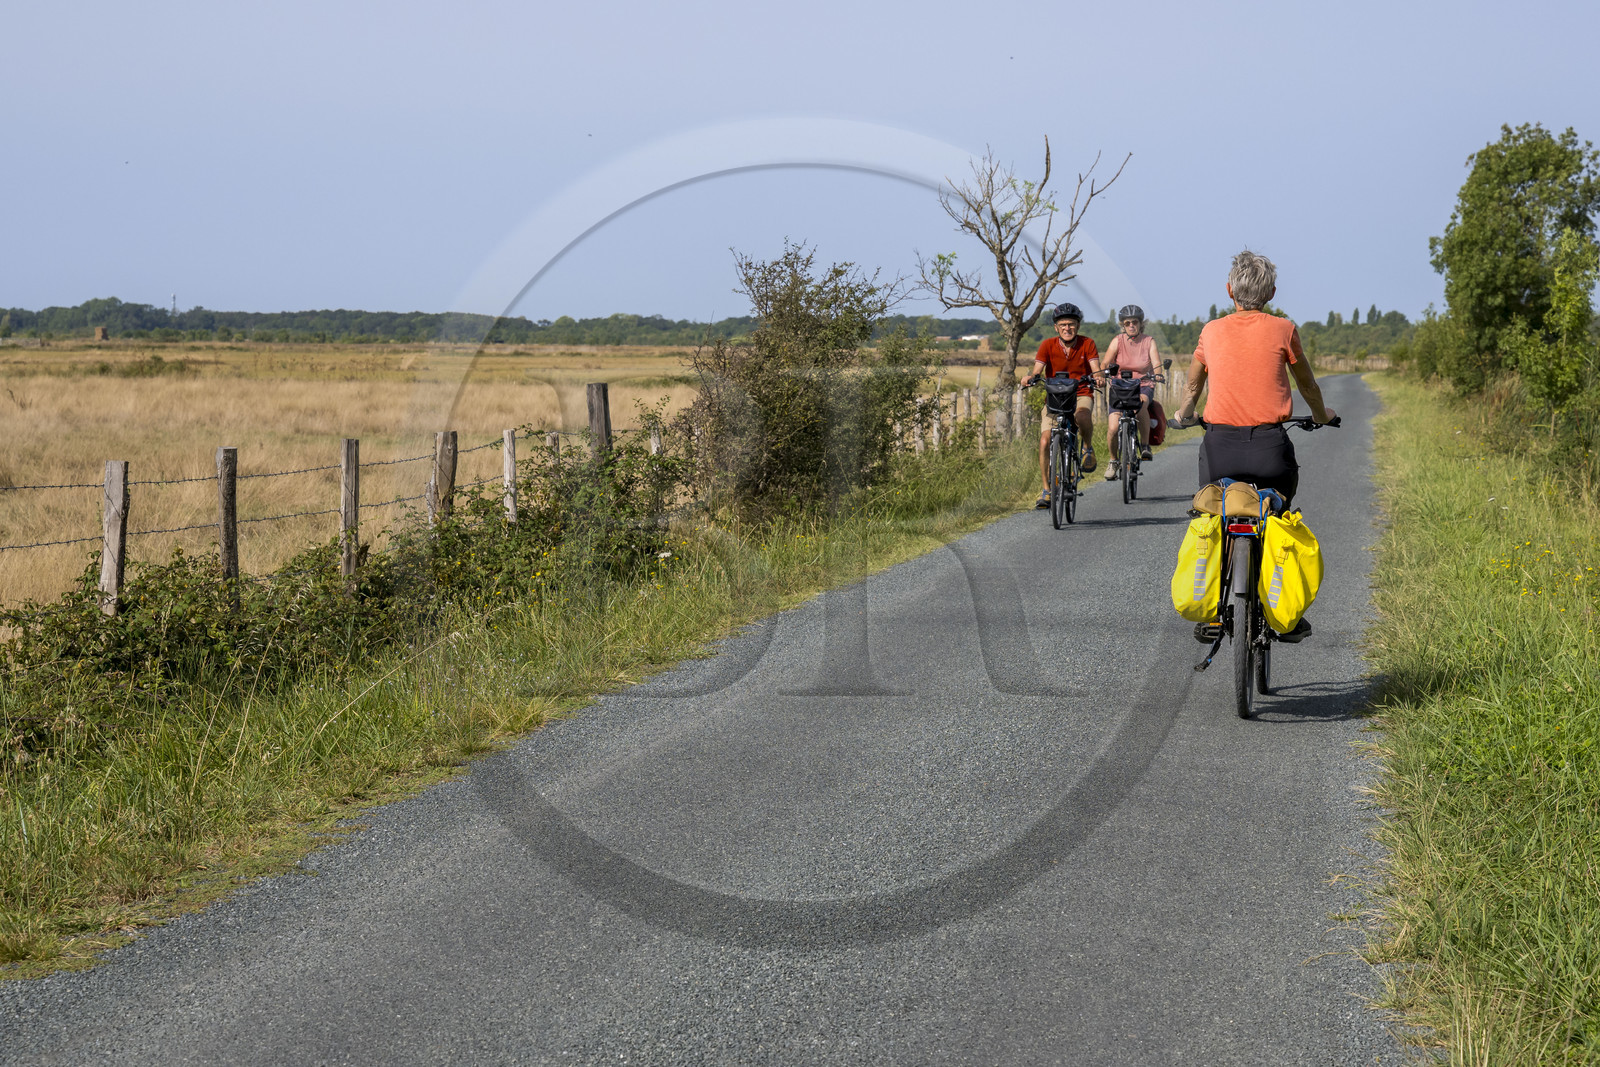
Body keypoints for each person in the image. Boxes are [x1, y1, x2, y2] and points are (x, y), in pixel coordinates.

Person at [1174, 250, 1335, 639]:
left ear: (1229, 290)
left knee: (1215, 514)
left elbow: (1193, 385)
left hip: (1219, 448)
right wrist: (1320, 415)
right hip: (1269, 449)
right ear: (1272, 293)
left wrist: (1184, 412)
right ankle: (1281, 609)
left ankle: (1213, 611)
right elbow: (1307, 385)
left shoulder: (1211, 331)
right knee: (1277, 514)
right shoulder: (1284, 329)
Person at [1023, 302, 1102, 508]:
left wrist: (1099, 377)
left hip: (1081, 393)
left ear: (1078, 325)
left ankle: (1086, 448)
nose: (1068, 328)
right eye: (1063, 324)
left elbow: (1096, 368)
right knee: (1044, 441)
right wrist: (1031, 378)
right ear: (1056, 327)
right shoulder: (1047, 345)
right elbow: (1037, 369)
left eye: (1072, 324)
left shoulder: (1087, 343)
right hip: (1055, 399)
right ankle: (1047, 491)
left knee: (1082, 416)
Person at [1101, 304, 1160, 480]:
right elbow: (1105, 362)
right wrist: (1104, 371)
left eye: (1135, 322)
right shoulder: (1117, 341)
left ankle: (1144, 445)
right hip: (1120, 386)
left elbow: (1156, 362)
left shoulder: (1149, 341)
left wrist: (1158, 375)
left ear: (1141, 323)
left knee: (1141, 403)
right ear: (1123, 325)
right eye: (1127, 323)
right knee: (1112, 427)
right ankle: (1113, 461)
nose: (1131, 325)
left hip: (1143, 384)